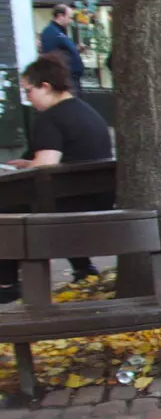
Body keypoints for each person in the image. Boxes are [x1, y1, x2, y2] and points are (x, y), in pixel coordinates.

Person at [0, 56, 115, 297]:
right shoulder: (85, 111)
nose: (28, 99)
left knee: (5, 208)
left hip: (70, 205)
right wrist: (28, 162)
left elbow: (46, 167)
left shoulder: (50, 118)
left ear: (46, 86)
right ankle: (83, 268)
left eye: (29, 91)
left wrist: (27, 166)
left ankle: (7, 284)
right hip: (97, 197)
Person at [39, 4, 85, 93]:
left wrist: (76, 50)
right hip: (66, 79)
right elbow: (51, 56)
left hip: (71, 78)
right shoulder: (51, 33)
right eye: (69, 18)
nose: (71, 21)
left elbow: (63, 51)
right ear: (60, 16)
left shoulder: (60, 32)